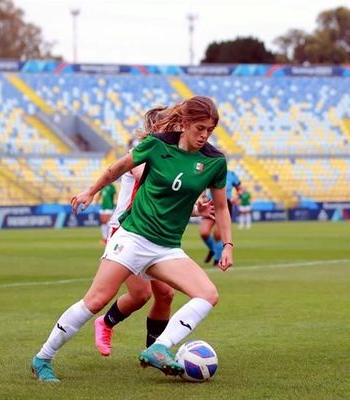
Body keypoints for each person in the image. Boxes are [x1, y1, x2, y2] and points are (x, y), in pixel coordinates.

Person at [31, 96, 233, 382]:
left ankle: (160, 347)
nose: (204, 135)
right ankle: (42, 358)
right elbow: (118, 168)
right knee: (97, 299)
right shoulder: (156, 145)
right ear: (185, 124)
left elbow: (222, 208)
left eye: (209, 131)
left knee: (208, 294)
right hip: (133, 238)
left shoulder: (214, 162)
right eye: (200, 128)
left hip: (166, 248)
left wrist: (227, 245)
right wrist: (91, 191)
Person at [93, 106, 215, 356]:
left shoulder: (169, 154)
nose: (178, 132)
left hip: (152, 234)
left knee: (166, 295)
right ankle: (105, 323)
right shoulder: (145, 152)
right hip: (128, 230)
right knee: (139, 295)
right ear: (158, 129)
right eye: (172, 127)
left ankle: (155, 351)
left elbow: (170, 193)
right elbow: (146, 174)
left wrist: (196, 209)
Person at [199, 169, 241, 265]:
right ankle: (214, 249)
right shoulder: (212, 170)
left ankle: (217, 260)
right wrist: (203, 195)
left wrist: (237, 197)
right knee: (204, 232)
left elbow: (240, 189)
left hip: (225, 204)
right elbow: (203, 184)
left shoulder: (231, 175)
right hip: (210, 203)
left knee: (218, 234)